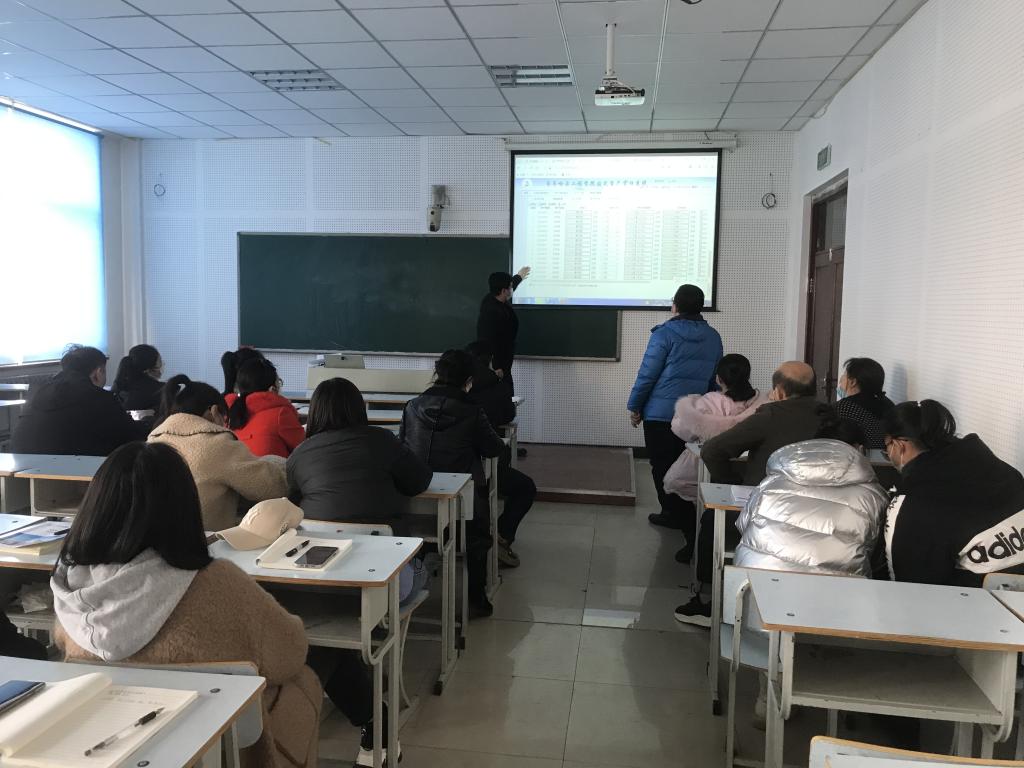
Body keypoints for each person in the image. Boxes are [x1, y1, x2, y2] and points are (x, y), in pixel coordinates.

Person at [50, 442, 321, 767]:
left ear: (95, 507)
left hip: (107, 747)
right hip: (218, 751)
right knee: (302, 679)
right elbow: (290, 652)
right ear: (184, 508)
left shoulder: (72, 586)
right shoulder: (219, 582)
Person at [675, 360, 830, 626]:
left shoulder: (771, 415)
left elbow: (712, 451)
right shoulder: (832, 416)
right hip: (822, 513)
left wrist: (732, 482)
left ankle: (710, 603)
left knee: (712, 520)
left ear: (779, 391)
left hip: (769, 510)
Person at [401, 349, 505, 617]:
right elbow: (494, 448)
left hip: (415, 497)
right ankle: (476, 598)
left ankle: (412, 580)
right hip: (461, 502)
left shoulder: (412, 406)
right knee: (478, 534)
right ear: (468, 380)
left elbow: (402, 447)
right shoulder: (472, 411)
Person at [882, 400, 1024, 586]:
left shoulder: (914, 503)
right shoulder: (1000, 469)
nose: (888, 454)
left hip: (980, 597)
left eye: (886, 447)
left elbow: (908, 582)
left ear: (900, 445)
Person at [626, 284, 723, 546]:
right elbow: (715, 380)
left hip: (660, 415)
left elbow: (647, 375)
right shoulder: (713, 337)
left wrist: (635, 406)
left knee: (661, 465)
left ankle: (673, 514)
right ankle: (685, 514)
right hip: (693, 415)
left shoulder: (664, 334)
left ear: (675, 305)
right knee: (686, 467)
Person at [733, 421, 887, 577]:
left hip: (752, 581)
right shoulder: (875, 497)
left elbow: (743, 524)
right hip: (834, 588)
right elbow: (880, 555)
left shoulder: (771, 482)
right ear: (860, 449)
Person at [287, 376, 432, 529]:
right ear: (358, 408)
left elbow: (293, 500)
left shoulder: (299, 454)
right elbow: (419, 481)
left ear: (314, 412)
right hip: (382, 538)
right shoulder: (382, 439)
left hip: (320, 537)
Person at [663, 353, 768, 562]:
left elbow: (684, 431)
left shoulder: (709, 401)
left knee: (674, 483)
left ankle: (693, 537)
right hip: (748, 467)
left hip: (709, 464)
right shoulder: (762, 402)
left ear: (719, 379)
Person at [148, 375, 287, 530]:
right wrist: (276, 462)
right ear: (214, 411)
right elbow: (272, 487)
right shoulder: (216, 443)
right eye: (225, 417)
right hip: (204, 538)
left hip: (160, 537)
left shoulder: (153, 440)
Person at [464, 341, 537, 566]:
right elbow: (507, 416)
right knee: (525, 488)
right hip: (480, 468)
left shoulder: (424, 403)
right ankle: (501, 537)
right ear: (490, 361)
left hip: (441, 473)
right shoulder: (497, 385)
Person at [11, 345, 144, 456]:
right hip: (74, 469)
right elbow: (131, 434)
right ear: (98, 372)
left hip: (22, 462)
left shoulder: (37, 391)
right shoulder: (99, 396)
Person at [225, 358, 305, 458]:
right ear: (272, 389)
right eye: (279, 383)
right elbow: (304, 449)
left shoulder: (230, 414)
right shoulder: (280, 414)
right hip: (272, 468)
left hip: (238, 468)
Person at [476, 267, 531, 396]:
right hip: (497, 365)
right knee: (503, 396)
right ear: (503, 291)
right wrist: (495, 366)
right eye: (510, 286)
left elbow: (509, 285)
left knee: (506, 394)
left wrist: (518, 277)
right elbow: (487, 341)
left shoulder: (493, 297)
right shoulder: (491, 313)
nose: (512, 288)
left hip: (505, 361)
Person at [835, 357, 895, 449]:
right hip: (887, 456)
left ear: (853, 382)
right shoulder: (889, 404)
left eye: (844, 375)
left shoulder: (844, 407)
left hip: (859, 456)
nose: (840, 380)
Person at [111, 344, 164, 411]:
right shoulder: (161, 390)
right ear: (148, 370)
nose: (162, 365)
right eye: (160, 362)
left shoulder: (119, 389)